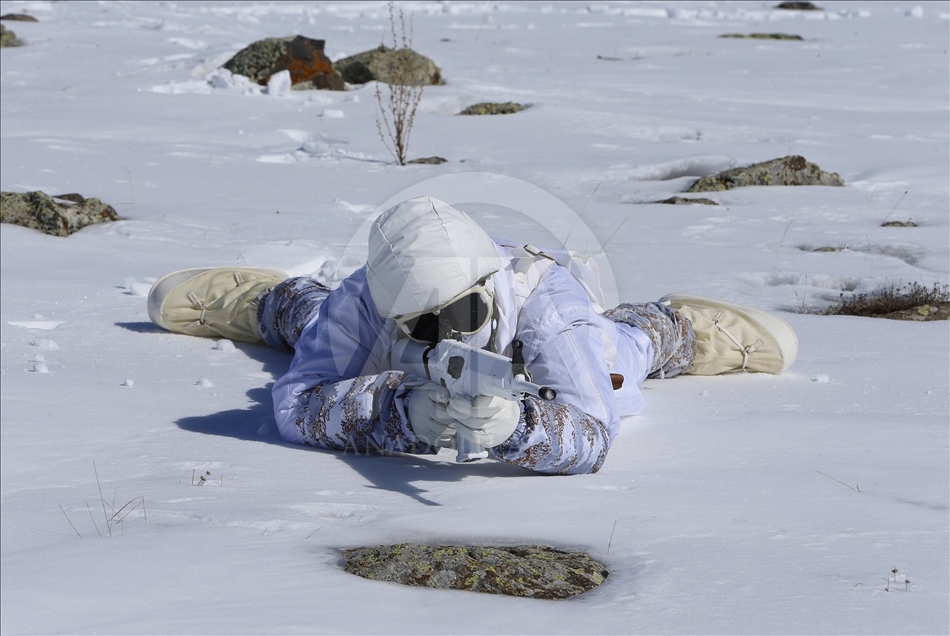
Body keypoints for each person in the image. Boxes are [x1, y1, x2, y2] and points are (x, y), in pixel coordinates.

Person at [147, 196, 797, 475]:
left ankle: (681, 328)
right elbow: (295, 404)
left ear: (490, 289)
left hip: (565, 333)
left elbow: (595, 434)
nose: (445, 339)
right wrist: (398, 414)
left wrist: (517, 428)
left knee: (619, 357)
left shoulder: (549, 309)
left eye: (459, 317)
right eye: (422, 328)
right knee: (312, 322)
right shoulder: (368, 297)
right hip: (366, 318)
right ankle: (264, 298)